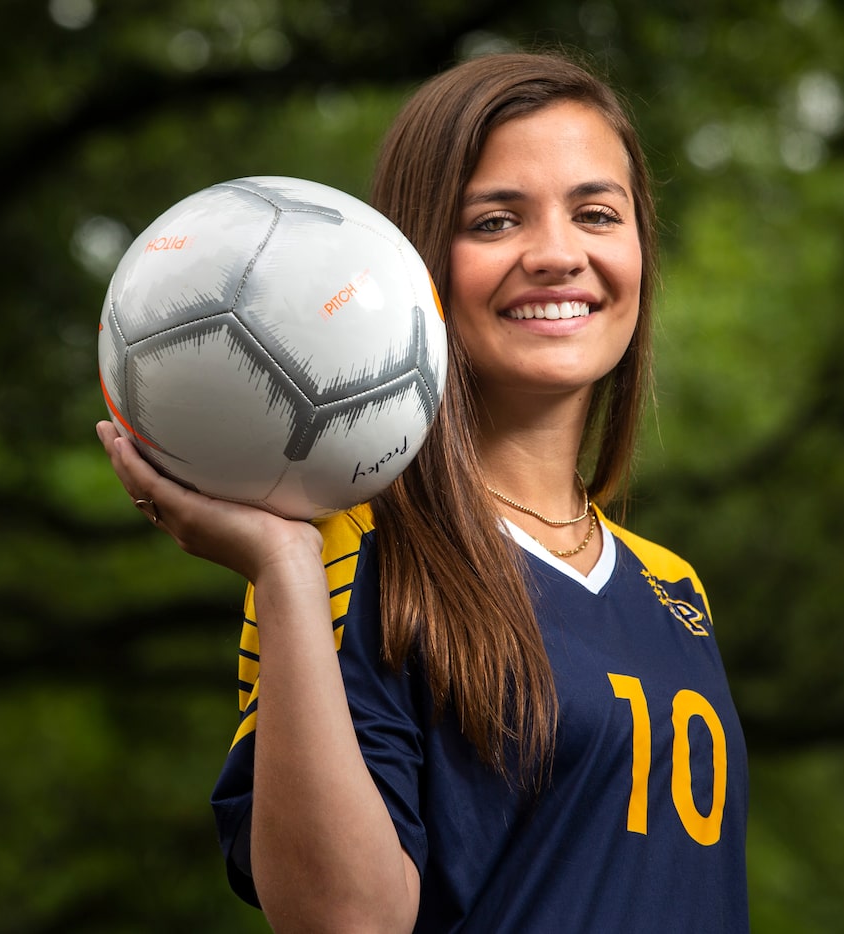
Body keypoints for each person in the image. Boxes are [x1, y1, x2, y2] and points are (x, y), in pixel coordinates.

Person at [97, 50, 748, 934]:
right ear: (411, 260)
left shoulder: (675, 590)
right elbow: (344, 921)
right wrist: (283, 567)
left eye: (596, 213)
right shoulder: (345, 548)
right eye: (494, 222)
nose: (558, 254)